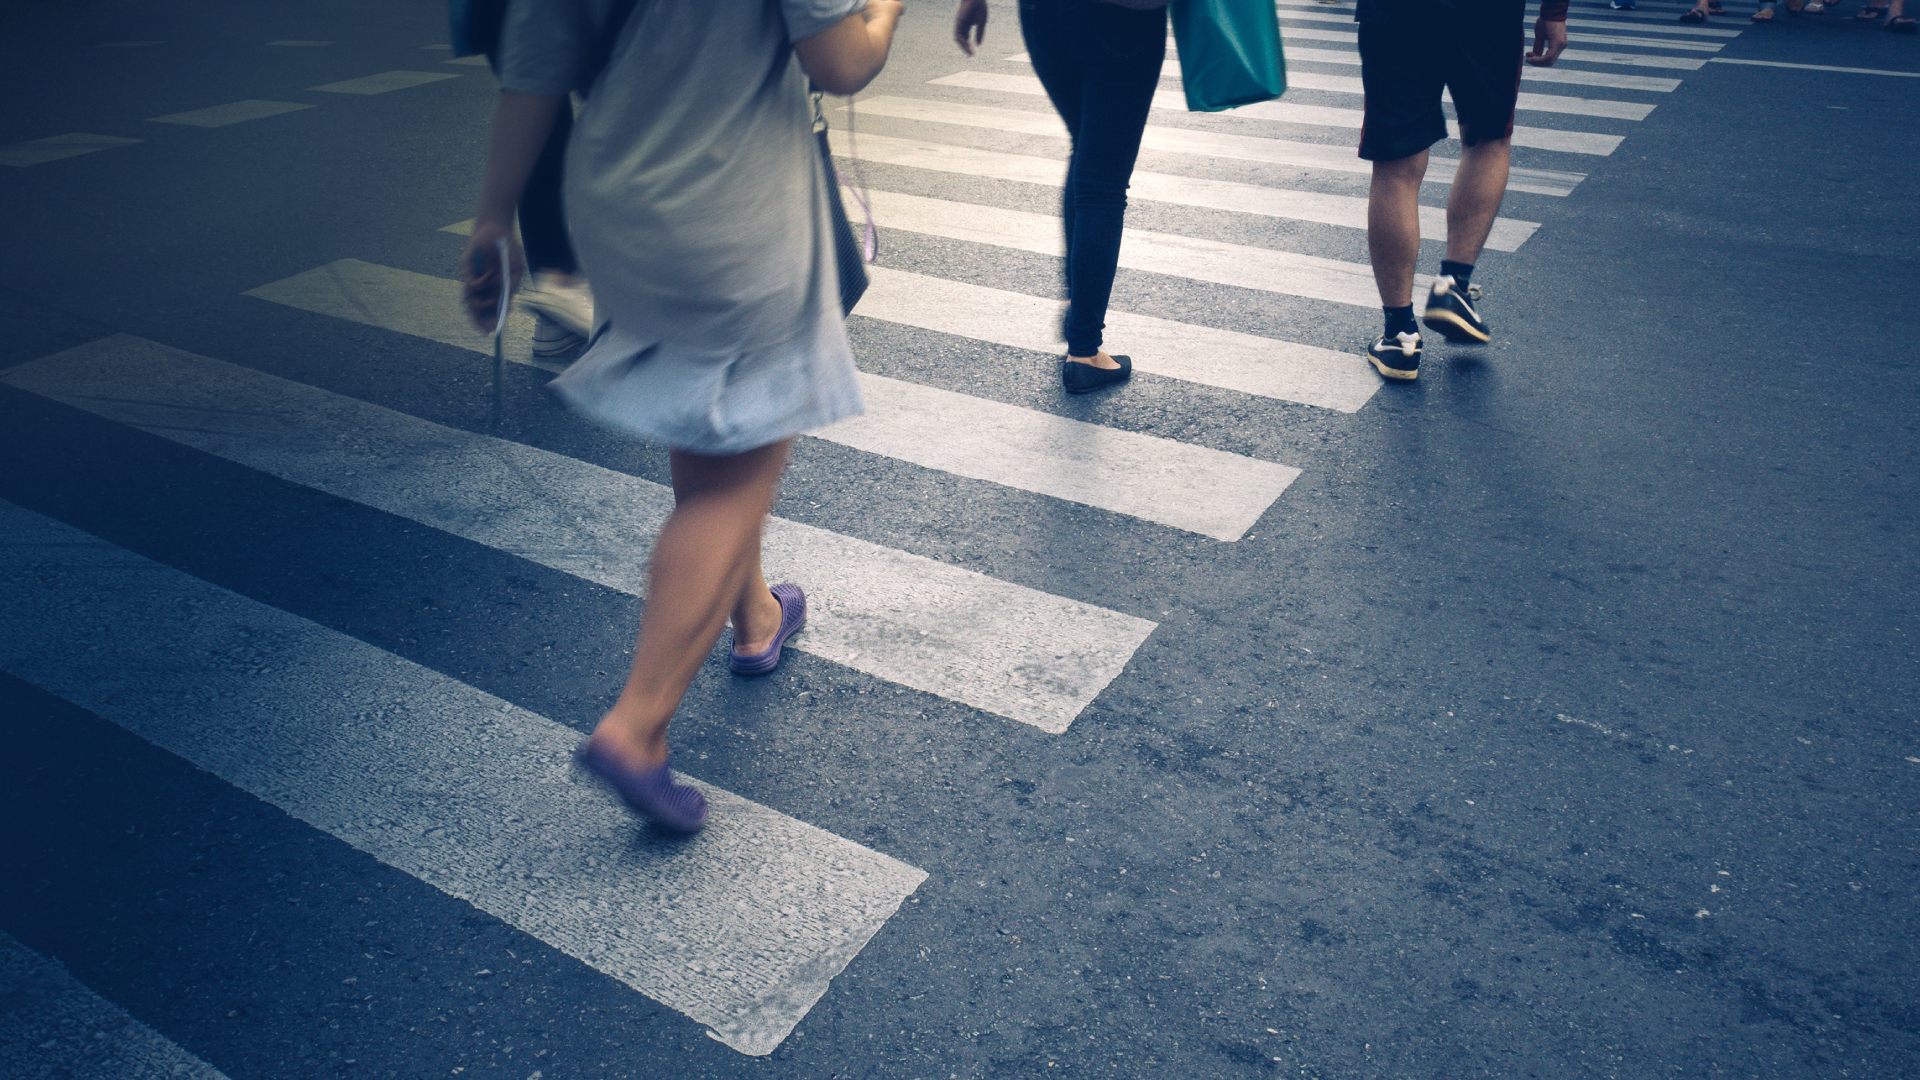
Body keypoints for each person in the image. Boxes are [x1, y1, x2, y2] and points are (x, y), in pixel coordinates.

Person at [462, 0, 904, 833]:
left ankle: (755, 615)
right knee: (741, 474)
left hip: (620, 203)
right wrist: (885, 9)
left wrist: (494, 218)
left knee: (708, 419)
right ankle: (637, 726)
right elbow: (842, 62)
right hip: (736, 204)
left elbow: (531, 79)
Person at [953, 0, 1164, 394]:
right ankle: (1084, 352)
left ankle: (1076, 310)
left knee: (1086, 149)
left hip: (1042, 14)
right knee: (1102, 181)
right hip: (1120, 17)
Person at [1358, 0, 1568, 382]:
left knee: (1396, 163)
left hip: (1396, 14)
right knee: (1488, 140)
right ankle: (1453, 286)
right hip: (1489, 15)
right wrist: (1554, 13)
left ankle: (1399, 336)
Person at [450, 0, 595, 358]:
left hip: (498, 11)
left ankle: (558, 289)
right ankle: (560, 285)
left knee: (546, 122)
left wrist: (493, 219)